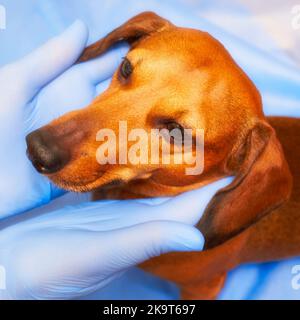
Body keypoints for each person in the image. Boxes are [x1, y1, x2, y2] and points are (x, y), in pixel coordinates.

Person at [0, 21, 231, 300]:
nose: (52, 141)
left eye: (174, 130)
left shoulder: (188, 254)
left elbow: (206, 284)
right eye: (127, 70)